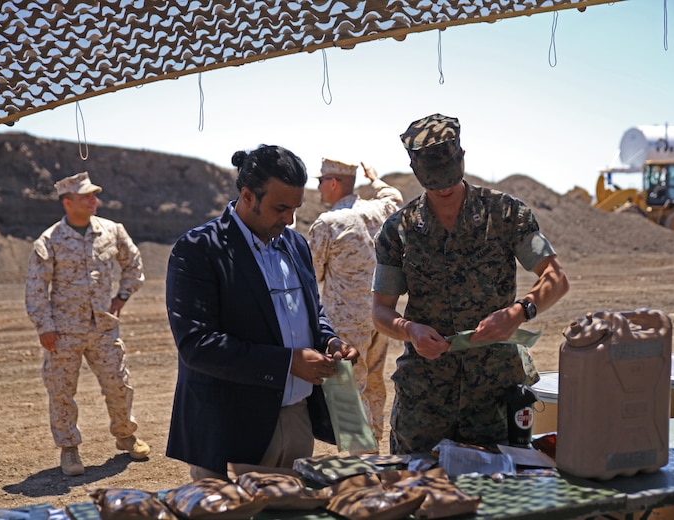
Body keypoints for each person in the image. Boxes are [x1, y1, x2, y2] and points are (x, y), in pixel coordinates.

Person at [371, 114, 570, 454]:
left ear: (462, 158)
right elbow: (380, 311)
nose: (444, 189)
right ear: (416, 171)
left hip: (493, 396)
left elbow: (556, 278)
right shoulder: (397, 231)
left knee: (499, 495)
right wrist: (410, 330)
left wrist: (519, 312)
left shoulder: (508, 215)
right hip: (425, 400)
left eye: (449, 177)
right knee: (417, 492)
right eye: (433, 182)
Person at [165, 144, 359, 480]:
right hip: (229, 426)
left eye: (295, 209)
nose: (289, 218)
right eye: (281, 208)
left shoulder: (295, 244)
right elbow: (197, 345)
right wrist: (287, 363)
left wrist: (329, 340)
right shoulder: (199, 249)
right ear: (248, 195)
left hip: (296, 420)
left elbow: (311, 311)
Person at [25, 171, 149, 477]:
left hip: (103, 327)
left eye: (94, 195)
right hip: (63, 331)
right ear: (68, 203)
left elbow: (133, 263)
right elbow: (36, 288)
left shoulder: (112, 231)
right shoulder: (49, 240)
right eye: (86, 197)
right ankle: (69, 450)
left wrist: (121, 297)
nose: (94, 200)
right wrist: (44, 326)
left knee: (118, 384)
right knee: (62, 392)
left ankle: (125, 435)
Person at [308, 158, 403, 442]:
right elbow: (393, 196)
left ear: (333, 183)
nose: (318, 188)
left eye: (320, 182)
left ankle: (359, 465)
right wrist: (376, 179)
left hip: (345, 329)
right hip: (380, 317)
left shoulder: (327, 223)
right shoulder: (380, 209)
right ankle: (374, 453)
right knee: (373, 385)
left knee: (347, 395)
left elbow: (312, 274)